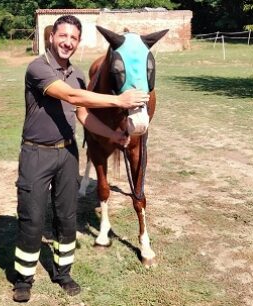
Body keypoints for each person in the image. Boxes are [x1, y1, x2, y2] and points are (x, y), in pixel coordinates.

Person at [13, 15, 149, 303]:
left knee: (67, 217)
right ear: (52, 37)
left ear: (77, 42)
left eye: (73, 38)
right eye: (63, 36)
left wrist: (112, 136)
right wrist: (119, 101)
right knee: (33, 217)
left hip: (67, 153)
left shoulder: (76, 74)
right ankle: (24, 279)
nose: (67, 42)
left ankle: (63, 273)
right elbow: (74, 97)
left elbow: (84, 114)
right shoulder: (38, 67)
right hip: (36, 152)